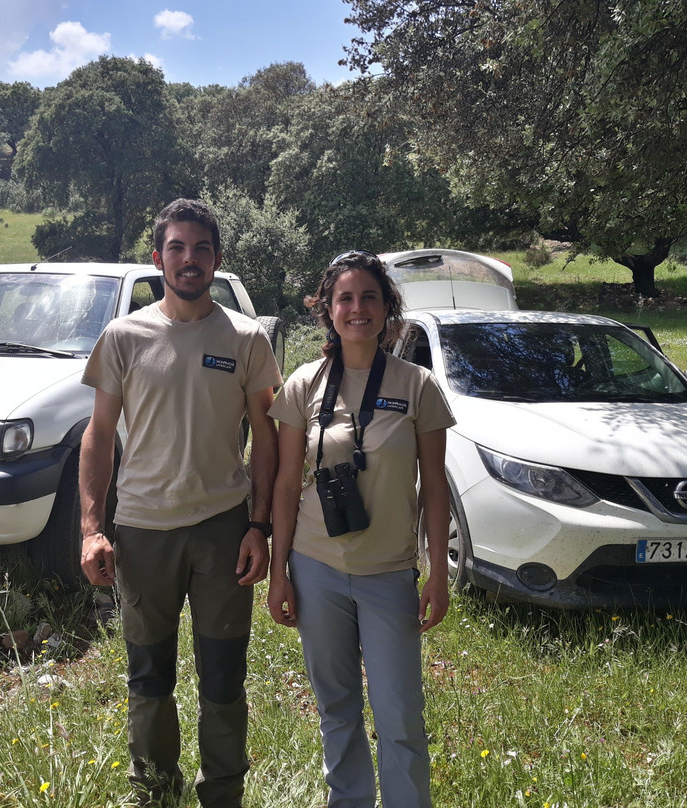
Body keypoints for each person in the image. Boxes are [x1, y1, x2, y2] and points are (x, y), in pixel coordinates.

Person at [79, 198, 281, 807]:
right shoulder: (123, 335)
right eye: (177, 248)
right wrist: (93, 528)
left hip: (223, 530)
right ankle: (156, 793)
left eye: (200, 249)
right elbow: (98, 435)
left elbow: (265, 438)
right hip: (142, 532)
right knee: (149, 675)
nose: (189, 260)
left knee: (223, 676)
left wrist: (260, 527)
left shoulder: (246, 339)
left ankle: (223, 795)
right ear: (157, 256)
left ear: (217, 259)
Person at [267, 249, 454, 808]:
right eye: (344, 298)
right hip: (316, 567)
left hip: (390, 572)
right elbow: (282, 486)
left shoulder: (417, 384)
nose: (357, 309)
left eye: (369, 296)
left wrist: (437, 571)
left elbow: (436, 487)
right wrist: (279, 574)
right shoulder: (304, 385)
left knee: (399, 715)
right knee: (337, 707)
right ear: (327, 309)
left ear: (387, 306)